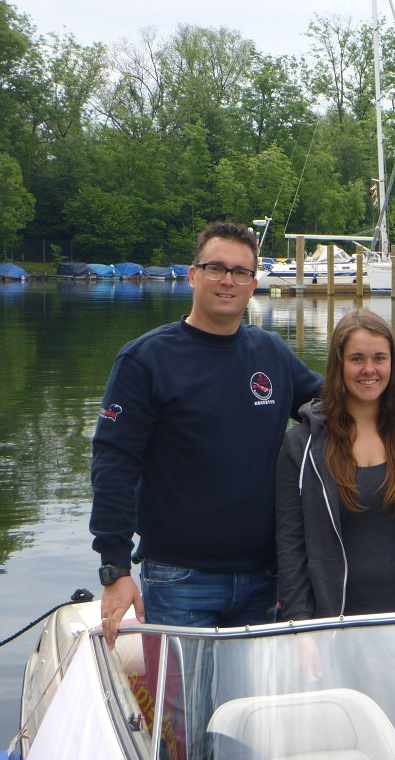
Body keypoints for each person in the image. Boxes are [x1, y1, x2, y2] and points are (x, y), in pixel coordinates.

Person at [90, 222, 322, 648]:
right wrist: (115, 570)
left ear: (254, 285)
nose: (228, 280)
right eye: (216, 268)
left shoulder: (272, 353)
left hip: (266, 577)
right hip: (180, 578)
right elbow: (113, 464)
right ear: (193, 275)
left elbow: (340, 407)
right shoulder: (145, 361)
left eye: (241, 272)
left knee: (252, 711)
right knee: (185, 713)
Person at [274, 308, 395, 743]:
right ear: (338, 365)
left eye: (379, 358)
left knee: (391, 737)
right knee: (335, 740)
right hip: (331, 625)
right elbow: (290, 542)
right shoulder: (301, 443)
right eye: (357, 359)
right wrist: (301, 627)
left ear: (394, 364)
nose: (369, 369)